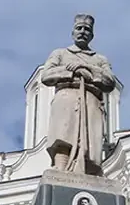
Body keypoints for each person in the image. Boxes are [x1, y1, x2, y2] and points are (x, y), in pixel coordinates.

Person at [41, 13, 117, 176]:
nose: (83, 32)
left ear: (92, 35)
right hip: (67, 96)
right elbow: (46, 75)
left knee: (90, 139)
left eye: (87, 29)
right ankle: (61, 166)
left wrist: (87, 69)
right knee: (64, 133)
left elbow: (109, 81)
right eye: (79, 28)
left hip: (91, 100)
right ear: (73, 32)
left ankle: (88, 171)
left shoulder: (99, 59)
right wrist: (71, 71)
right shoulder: (60, 53)